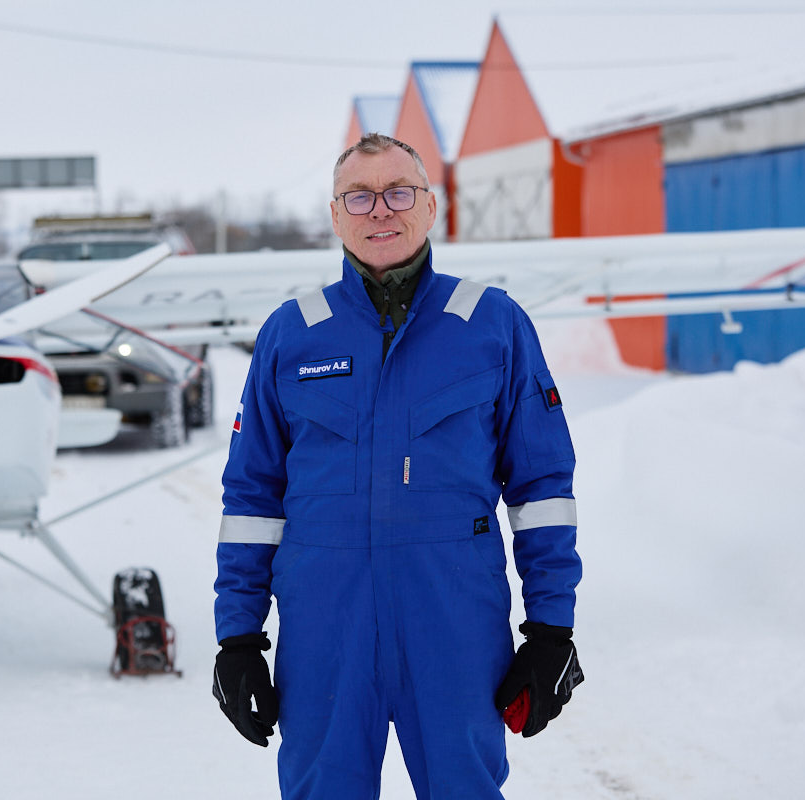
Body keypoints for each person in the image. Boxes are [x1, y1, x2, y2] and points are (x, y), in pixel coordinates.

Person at [212, 133, 583, 799]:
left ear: (430, 206)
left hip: (453, 622)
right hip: (325, 624)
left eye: (398, 192)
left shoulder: (491, 324)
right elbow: (251, 499)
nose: (380, 209)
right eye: (360, 195)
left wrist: (551, 629)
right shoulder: (292, 333)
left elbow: (542, 488)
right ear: (334, 214)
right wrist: (238, 640)